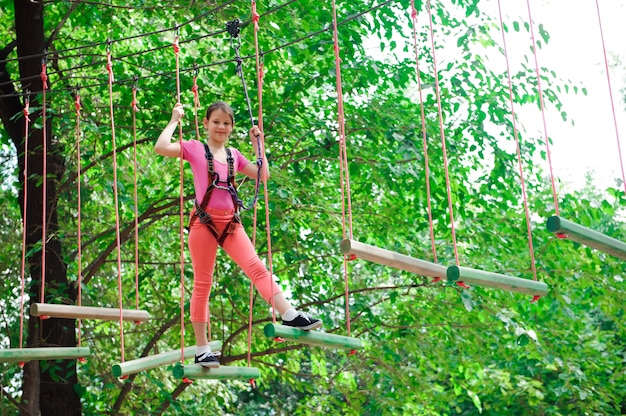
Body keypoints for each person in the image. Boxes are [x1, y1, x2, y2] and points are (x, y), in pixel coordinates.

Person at [154, 101, 322, 368]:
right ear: (206, 123)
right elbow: (161, 147)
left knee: (257, 267)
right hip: (204, 224)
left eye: (226, 123)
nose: (221, 127)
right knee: (203, 285)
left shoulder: (233, 155)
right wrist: (175, 119)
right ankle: (202, 349)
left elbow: (262, 175)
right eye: (216, 122)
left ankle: (288, 313)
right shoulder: (196, 148)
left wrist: (258, 146)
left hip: (231, 223)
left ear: (232, 127)